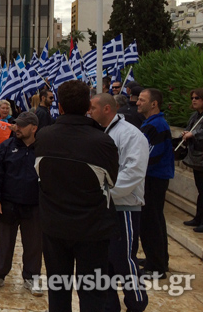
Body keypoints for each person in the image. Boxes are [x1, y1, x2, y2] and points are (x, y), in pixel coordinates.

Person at [35, 80, 119, 311]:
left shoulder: (43, 136)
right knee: (92, 293)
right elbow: (111, 181)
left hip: (54, 226)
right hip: (92, 229)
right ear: (87, 107)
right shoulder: (103, 142)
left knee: (58, 291)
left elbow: (40, 175)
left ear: (59, 107)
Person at [90, 93, 150, 312]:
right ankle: (109, 306)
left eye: (93, 108)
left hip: (123, 207)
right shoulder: (100, 133)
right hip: (102, 208)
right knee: (103, 263)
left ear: (107, 109)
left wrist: (104, 192)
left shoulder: (131, 135)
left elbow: (133, 172)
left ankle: (136, 303)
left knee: (123, 260)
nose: (90, 112)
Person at [0, 112, 42, 296]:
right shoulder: (5, 147)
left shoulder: (43, 149)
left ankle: (32, 277)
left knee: (33, 244)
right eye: (16, 124)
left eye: (22, 125)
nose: (17, 128)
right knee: (3, 242)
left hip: (34, 205)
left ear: (33, 128)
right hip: (8, 204)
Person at [137, 88, 174, 279]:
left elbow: (152, 155)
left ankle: (156, 267)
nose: (137, 102)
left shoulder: (157, 125)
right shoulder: (151, 123)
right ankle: (157, 259)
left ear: (154, 104)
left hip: (154, 178)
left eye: (142, 100)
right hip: (153, 177)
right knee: (155, 220)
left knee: (151, 221)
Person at [182, 88, 203, 232]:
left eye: (197, 98)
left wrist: (193, 134)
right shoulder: (195, 116)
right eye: (192, 98)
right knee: (200, 189)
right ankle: (198, 217)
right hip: (197, 160)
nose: (194, 100)